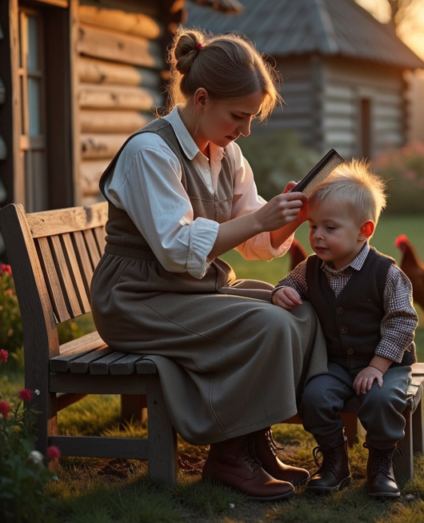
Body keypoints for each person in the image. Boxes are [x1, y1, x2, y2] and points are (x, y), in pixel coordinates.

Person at [89, 28, 327, 501]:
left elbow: (254, 238)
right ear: (201, 98)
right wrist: (259, 217)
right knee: (269, 325)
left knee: (298, 310)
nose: (245, 129)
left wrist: (288, 218)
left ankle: (253, 440)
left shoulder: (227, 154)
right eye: (239, 116)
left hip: (185, 290)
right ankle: (227, 456)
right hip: (137, 298)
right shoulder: (149, 152)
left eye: (252, 117)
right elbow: (177, 248)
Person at [271, 161, 418, 499]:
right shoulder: (310, 269)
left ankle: (381, 462)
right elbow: (285, 283)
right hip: (335, 363)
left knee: (381, 400)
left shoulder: (386, 274)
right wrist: (281, 292)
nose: (317, 236)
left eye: (330, 228)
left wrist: (377, 365)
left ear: (363, 231)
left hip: (387, 363)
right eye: (312, 226)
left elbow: (402, 320)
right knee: (314, 397)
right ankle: (335, 460)